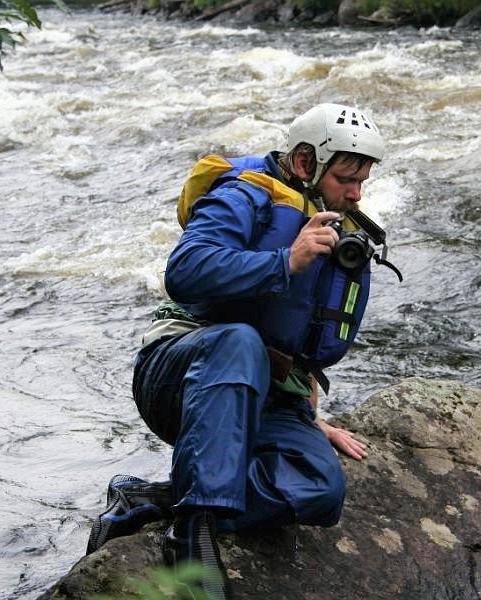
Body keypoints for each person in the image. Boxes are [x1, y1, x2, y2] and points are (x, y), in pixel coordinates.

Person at [86, 104, 394, 599]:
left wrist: (313, 418)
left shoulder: (338, 225)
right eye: (345, 178)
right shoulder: (243, 192)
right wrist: (284, 260)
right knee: (240, 340)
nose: (356, 193)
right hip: (182, 373)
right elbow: (185, 270)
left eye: (363, 181)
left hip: (266, 394)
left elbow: (299, 339)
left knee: (320, 487)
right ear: (303, 162)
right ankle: (192, 542)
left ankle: (155, 499)